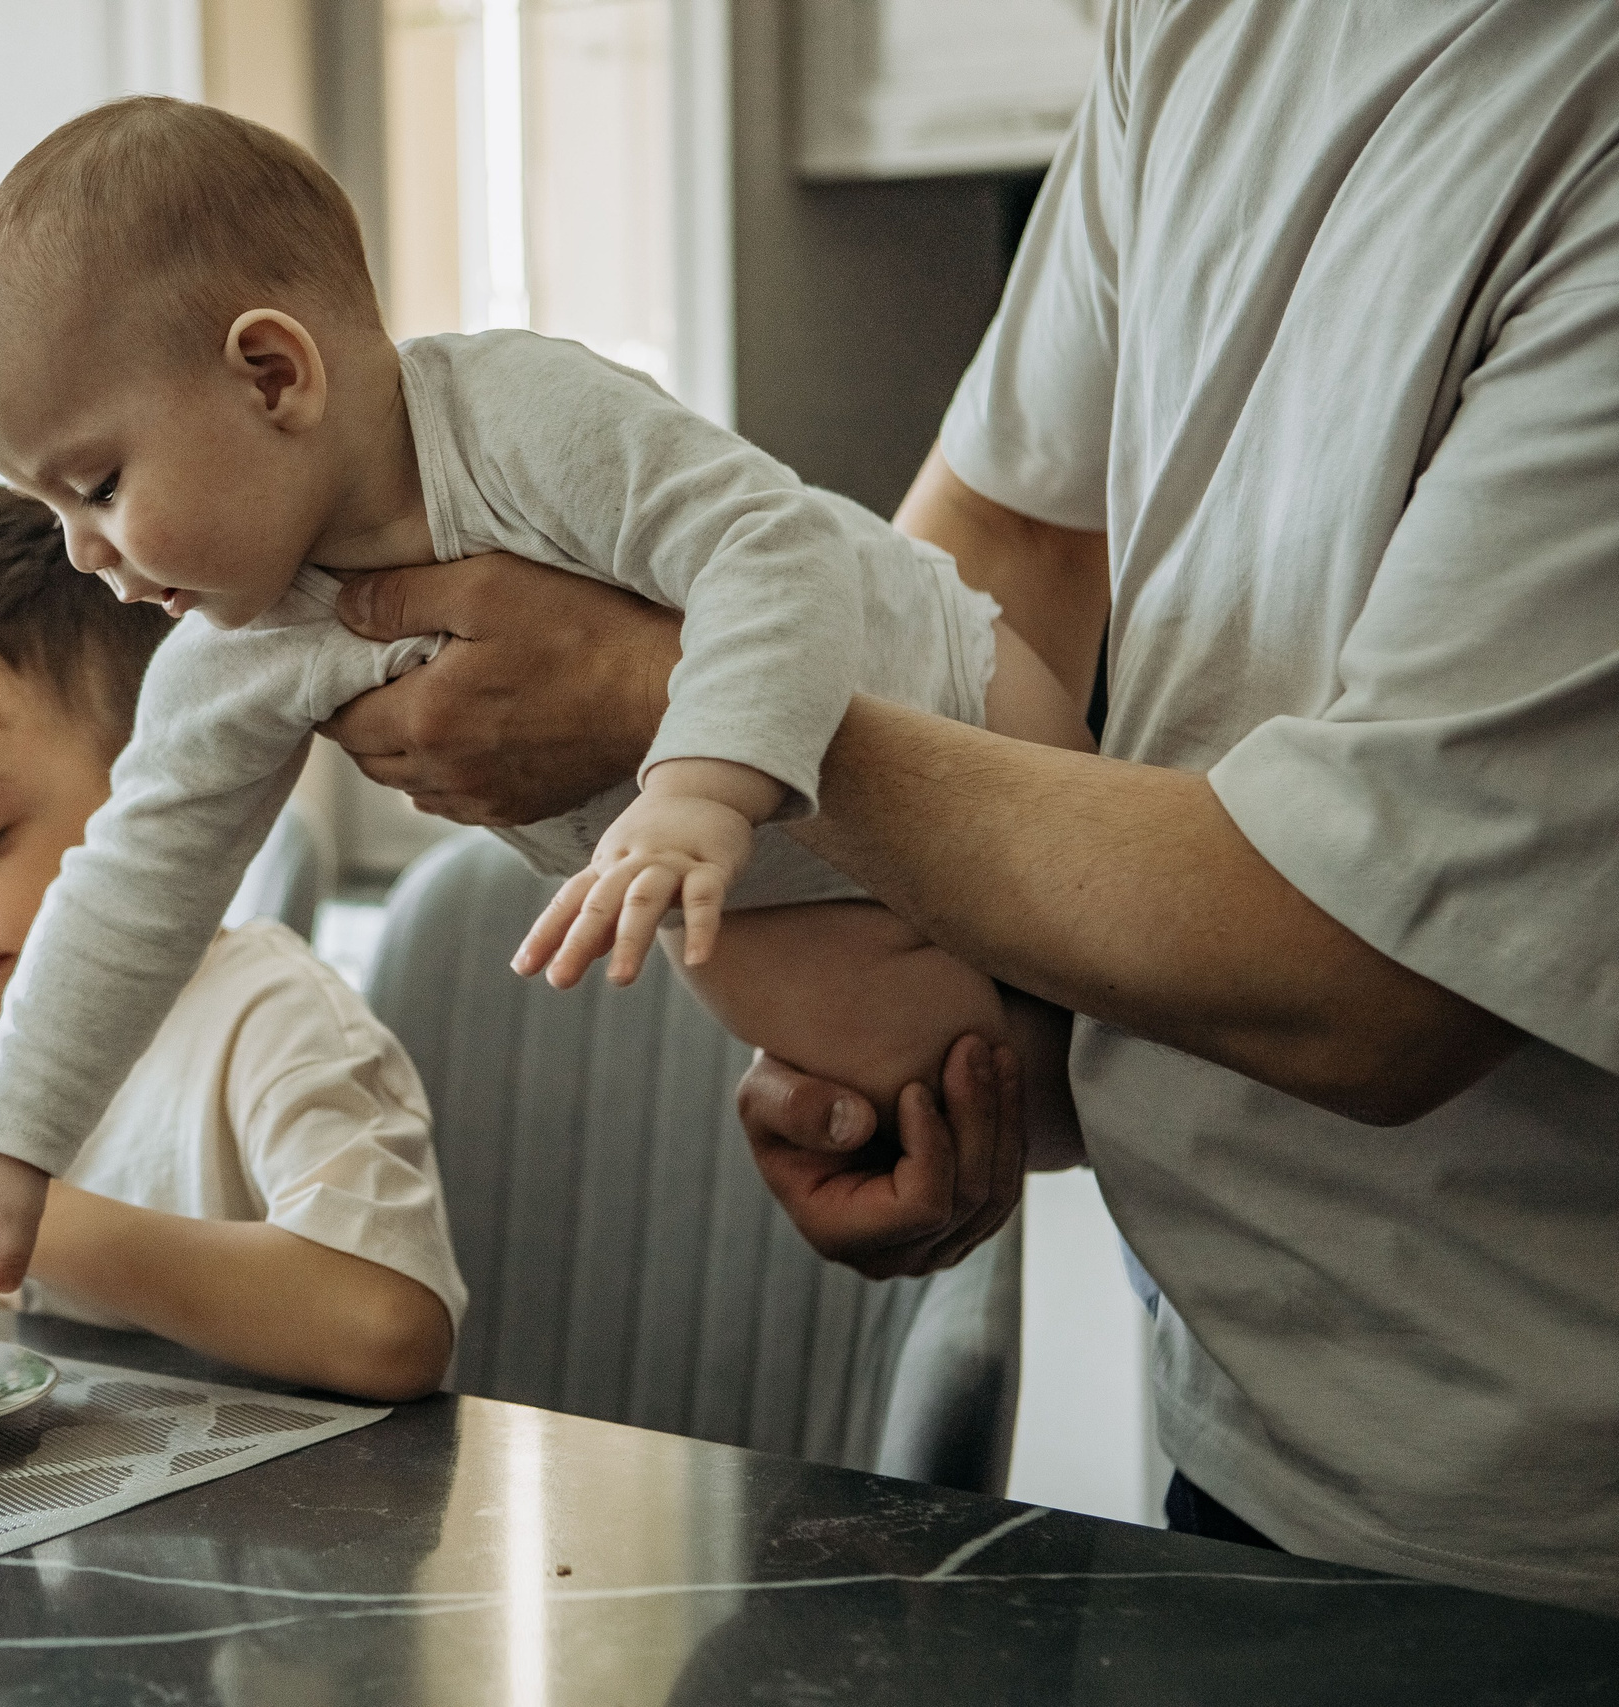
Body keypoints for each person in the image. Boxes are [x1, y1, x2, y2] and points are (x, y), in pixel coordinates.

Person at [322, 2, 1619, 1614]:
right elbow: (995, 550)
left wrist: (675, 702)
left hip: (1540, 1525)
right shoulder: (1190, 28)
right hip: (1239, 1414)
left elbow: (1368, 979)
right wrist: (895, 1012)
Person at [0, 96, 1084, 1304]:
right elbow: (127, 882)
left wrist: (696, 791)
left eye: (96, 486)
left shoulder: (516, 419)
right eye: (50, 508)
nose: (80, 550)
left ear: (271, 375)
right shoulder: (230, 651)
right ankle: (1110, 1118)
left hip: (953, 697)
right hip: (786, 901)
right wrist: (4, 1140)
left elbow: (773, 550)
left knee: (1115, 966)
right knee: (977, 1099)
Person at [0, 487, 462, 1402]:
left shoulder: (269, 1013)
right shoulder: (2, 1057)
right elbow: (109, 1342)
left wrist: (29, 1208)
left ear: (156, 796)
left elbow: (390, 1329)